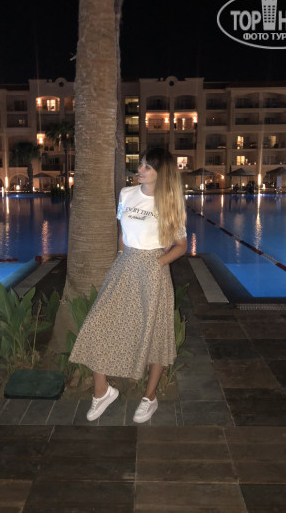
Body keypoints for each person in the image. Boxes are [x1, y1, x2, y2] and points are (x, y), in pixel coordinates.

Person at [69, 147, 187, 423]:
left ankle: (150, 397)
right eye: (141, 165)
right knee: (98, 322)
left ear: (161, 173)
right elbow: (122, 232)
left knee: (155, 335)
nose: (140, 170)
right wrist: (122, 255)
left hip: (153, 270)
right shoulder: (126, 194)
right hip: (125, 265)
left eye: (147, 167)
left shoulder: (170, 203)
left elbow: (181, 245)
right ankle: (102, 391)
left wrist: (158, 263)